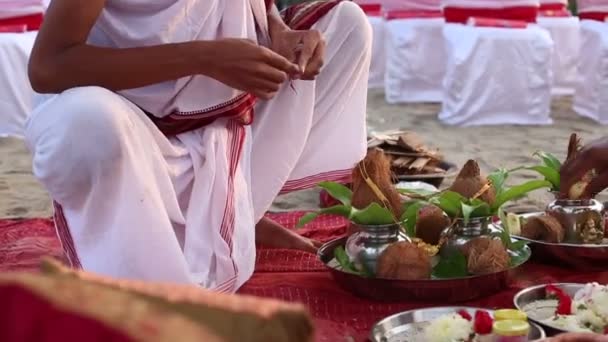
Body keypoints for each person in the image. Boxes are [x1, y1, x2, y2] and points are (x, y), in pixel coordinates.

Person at [25, 0, 371, 292]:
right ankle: (146, 286)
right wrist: (204, 59)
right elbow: (48, 66)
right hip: (131, 127)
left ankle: (243, 208)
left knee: (347, 25)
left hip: (222, 120)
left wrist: (276, 32)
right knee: (87, 121)